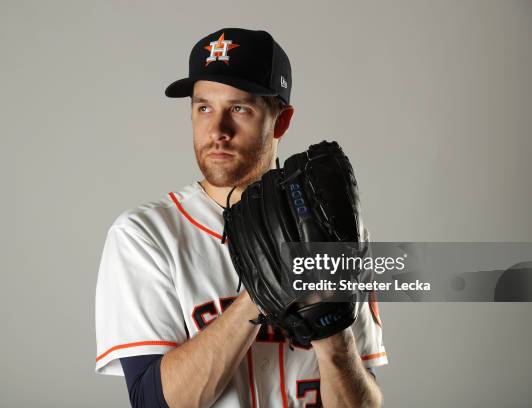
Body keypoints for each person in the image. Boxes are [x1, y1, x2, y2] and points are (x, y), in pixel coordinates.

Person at [95, 27, 388, 407]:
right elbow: (153, 402)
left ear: (280, 121)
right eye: (203, 108)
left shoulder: (335, 230)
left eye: (239, 109)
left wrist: (332, 327)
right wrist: (259, 291)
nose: (217, 131)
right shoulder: (144, 235)